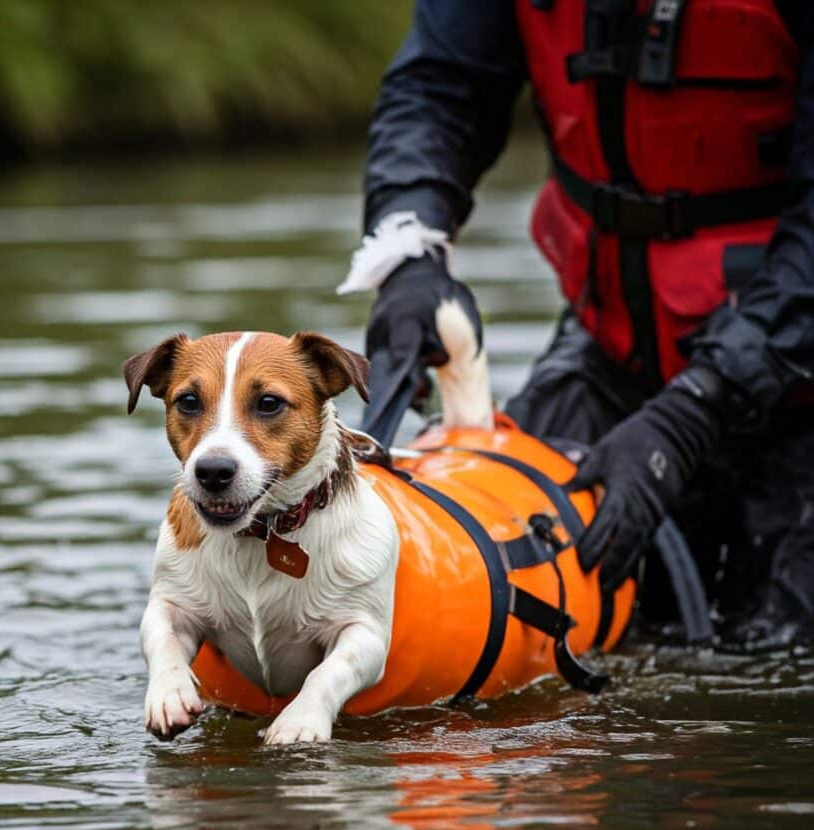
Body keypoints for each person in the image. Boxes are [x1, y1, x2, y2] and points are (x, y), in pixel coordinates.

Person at [339, 0, 814, 650]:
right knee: (510, 581)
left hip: (796, 380)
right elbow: (438, 88)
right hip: (611, 348)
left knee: (778, 653)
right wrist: (408, 253)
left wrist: (691, 413)